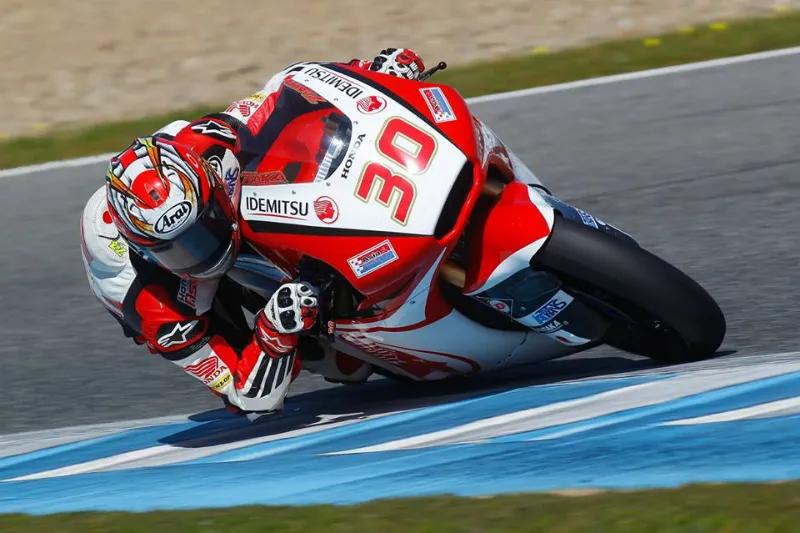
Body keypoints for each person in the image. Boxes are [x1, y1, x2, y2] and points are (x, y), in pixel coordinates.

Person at [80, 49, 427, 419]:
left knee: (286, 155)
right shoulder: (157, 308)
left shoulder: (207, 143)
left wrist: (372, 74)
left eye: (205, 228)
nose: (205, 251)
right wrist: (275, 331)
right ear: (148, 252)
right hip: (163, 290)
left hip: (199, 181)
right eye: (181, 250)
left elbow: (286, 90)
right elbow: (249, 399)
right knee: (341, 364)